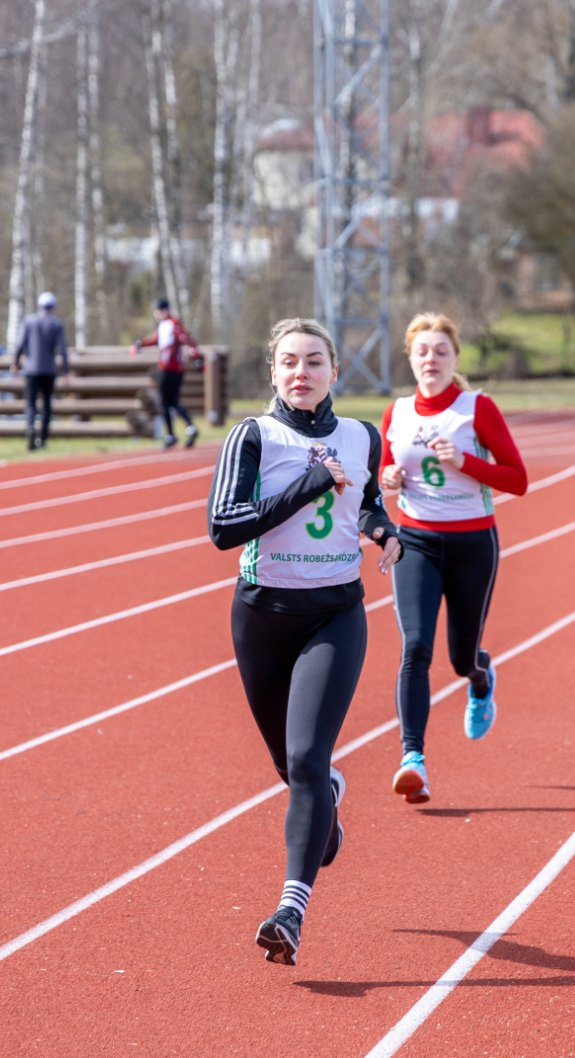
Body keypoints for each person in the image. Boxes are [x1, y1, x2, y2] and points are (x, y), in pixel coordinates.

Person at [206, 317, 402, 967]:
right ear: (273, 372)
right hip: (262, 617)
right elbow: (224, 526)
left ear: (334, 371)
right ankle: (325, 812)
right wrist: (310, 482)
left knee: (308, 758)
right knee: (290, 769)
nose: (302, 372)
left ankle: (290, 910)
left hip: (335, 615)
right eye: (289, 361)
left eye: (314, 361)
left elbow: (368, 500)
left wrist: (384, 531)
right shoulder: (254, 436)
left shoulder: (361, 436)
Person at [380, 313, 528, 804]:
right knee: (415, 647)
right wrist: (389, 480)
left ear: (455, 359)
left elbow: (517, 479)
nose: (431, 359)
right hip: (416, 542)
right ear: (410, 358)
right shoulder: (396, 412)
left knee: (460, 657)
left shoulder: (476, 409)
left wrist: (466, 463)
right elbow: (385, 467)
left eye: (441, 351)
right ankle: (413, 759)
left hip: (472, 544)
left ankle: (480, 679)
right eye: (422, 351)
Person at [130, 298, 201, 449]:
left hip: (170, 368)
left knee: (165, 401)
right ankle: (189, 428)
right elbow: (155, 339)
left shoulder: (172, 324)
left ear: (164, 311)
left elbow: (185, 338)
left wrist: (197, 356)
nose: (156, 315)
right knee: (172, 401)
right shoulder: (164, 326)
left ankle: (171, 435)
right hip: (174, 369)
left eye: (158, 311)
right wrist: (141, 343)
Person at [10, 292, 70, 451]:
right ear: (53, 306)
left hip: (31, 369)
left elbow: (19, 345)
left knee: (30, 404)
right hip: (49, 369)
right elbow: (62, 349)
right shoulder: (56, 324)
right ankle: (42, 439)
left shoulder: (29, 322)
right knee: (47, 405)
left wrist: (15, 363)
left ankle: (30, 427)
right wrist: (67, 371)